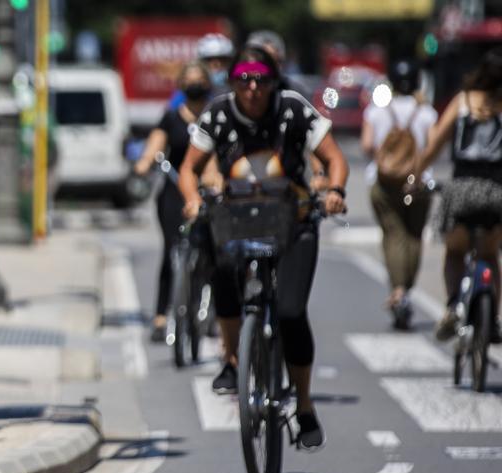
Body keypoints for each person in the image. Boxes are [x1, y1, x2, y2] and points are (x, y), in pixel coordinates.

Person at [179, 44, 348, 450]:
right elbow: (190, 167)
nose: (252, 88)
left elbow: (335, 158)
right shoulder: (218, 114)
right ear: (232, 82)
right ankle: (233, 358)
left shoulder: (292, 109)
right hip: (239, 220)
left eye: (260, 79)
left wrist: (335, 190)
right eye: (243, 80)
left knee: (290, 313)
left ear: (273, 81)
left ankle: (304, 406)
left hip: (293, 222)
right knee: (220, 269)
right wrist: (192, 198)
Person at [416, 47, 502, 343]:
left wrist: (415, 174)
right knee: (490, 255)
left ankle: (453, 305)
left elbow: (435, 144)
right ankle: (492, 318)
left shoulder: (463, 101)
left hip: (462, 189)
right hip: (496, 193)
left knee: (454, 252)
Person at [134, 61, 215, 342]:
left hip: (208, 189)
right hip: (174, 190)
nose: (195, 85)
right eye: (189, 80)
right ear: (181, 86)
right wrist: (144, 162)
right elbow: (155, 145)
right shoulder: (170, 118)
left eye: (199, 79)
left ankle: (213, 307)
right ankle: (161, 315)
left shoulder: (216, 116)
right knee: (172, 250)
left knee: (215, 251)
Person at [362, 59, 437, 330]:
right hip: (417, 183)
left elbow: (367, 144)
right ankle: (407, 289)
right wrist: (414, 170)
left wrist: (386, 161)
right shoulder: (427, 112)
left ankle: (398, 291)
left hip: (383, 183)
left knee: (393, 234)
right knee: (414, 237)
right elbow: (432, 147)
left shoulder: (376, 110)